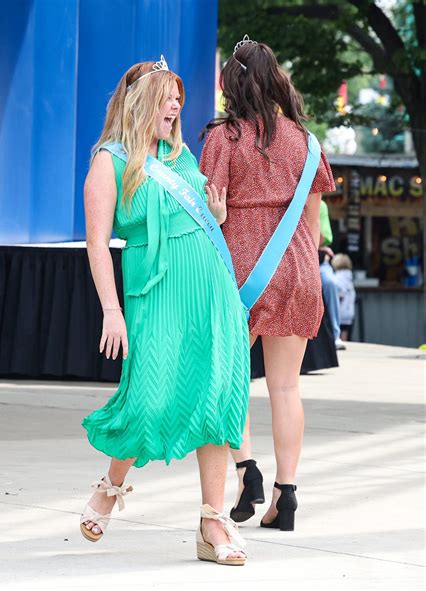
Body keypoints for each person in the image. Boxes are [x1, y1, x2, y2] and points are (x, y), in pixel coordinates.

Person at [80, 57, 250, 566]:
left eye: (178, 97)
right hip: (153, 293)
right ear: (139, 103)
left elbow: (195, 215)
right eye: (166, 96)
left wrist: (215, 216)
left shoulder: (181, 157)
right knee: (150, 398)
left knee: (217, 396)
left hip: (208, 287)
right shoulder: (108, 162)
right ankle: (110, 487)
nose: (176, 104)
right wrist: (111, 310)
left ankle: (212, 522)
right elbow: (96, 245)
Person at [199, 36, 336, 531]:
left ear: (232, 83)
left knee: (231, 381)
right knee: (285, 388)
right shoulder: (306, 140)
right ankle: (287, 493)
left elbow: (208, 210)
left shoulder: (223, 138)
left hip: (242, 272)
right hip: (298, 268)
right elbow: (314, 219)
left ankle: (246, 469)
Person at [319, 200, 346, 350]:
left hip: (318, 260)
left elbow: (323, 238)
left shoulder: (321, 205)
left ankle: (335, 334)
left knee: (330, 283)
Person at [332, 253, 356, 341]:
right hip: (350, 313)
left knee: (340, 340)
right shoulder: (349, 277)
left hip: (340, 314)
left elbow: (339, 296)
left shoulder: (337, 278)